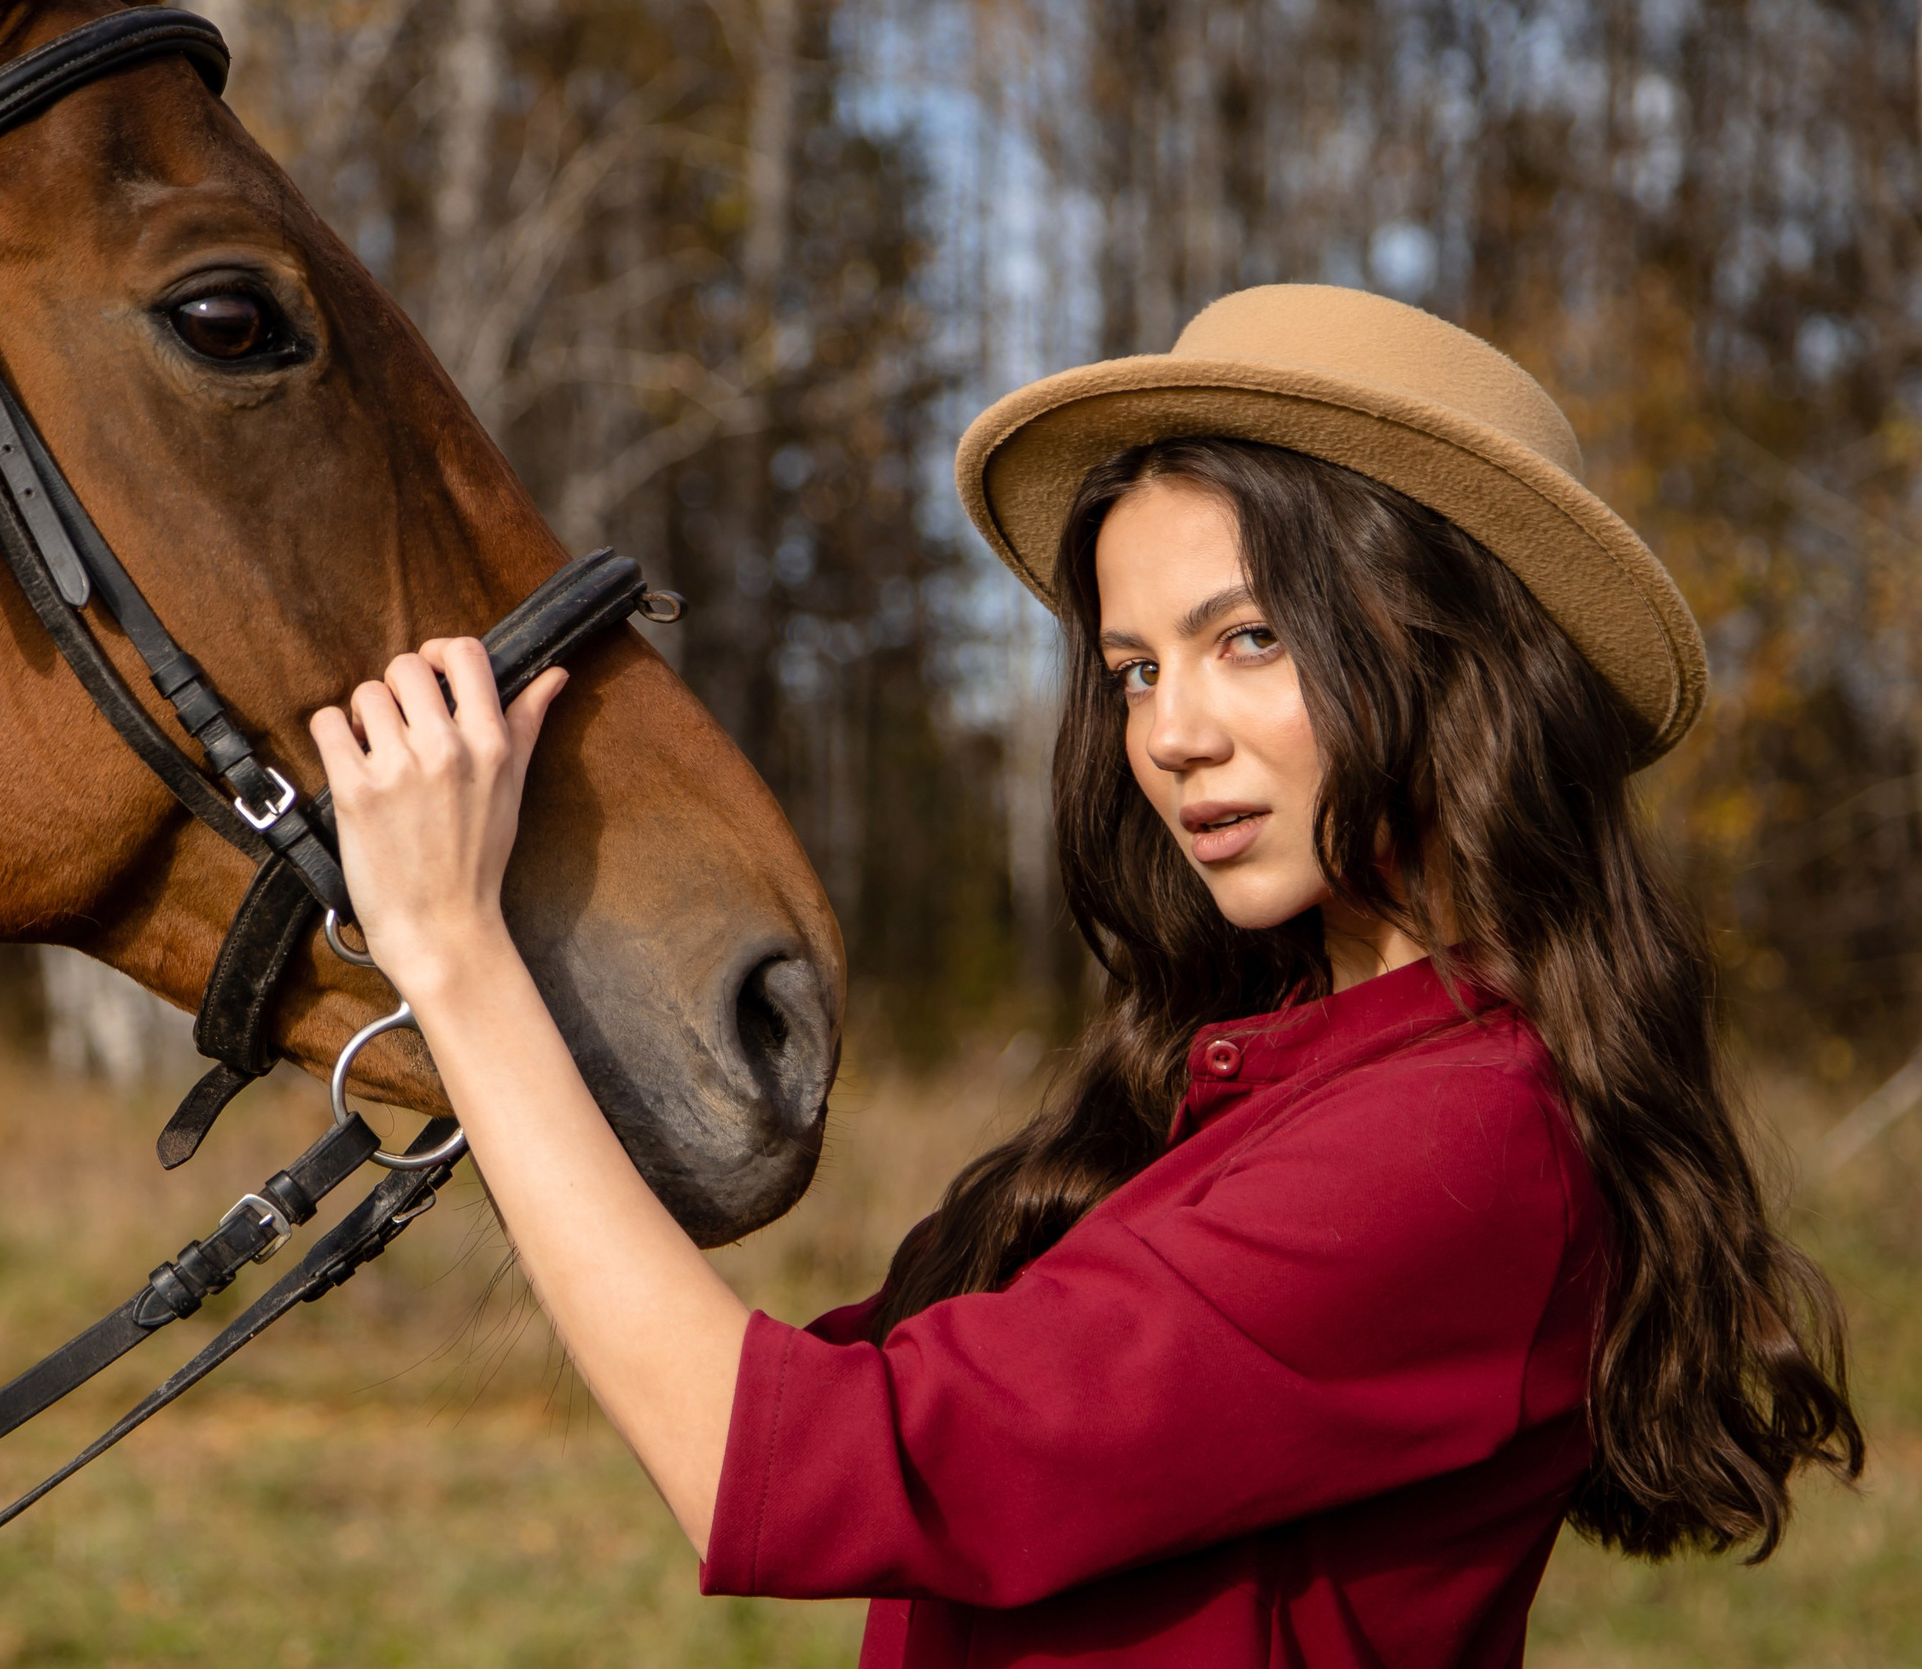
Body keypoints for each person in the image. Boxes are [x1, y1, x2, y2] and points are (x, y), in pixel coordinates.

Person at [305, 284, 1863, 1668]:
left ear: (1460, 652)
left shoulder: (1463, 1146)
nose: (1168, 734)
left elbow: (789, 1463)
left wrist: (454, 950)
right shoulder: (1271, 1083)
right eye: (1134, 669)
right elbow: (745, 1381)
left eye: (1246, 638)